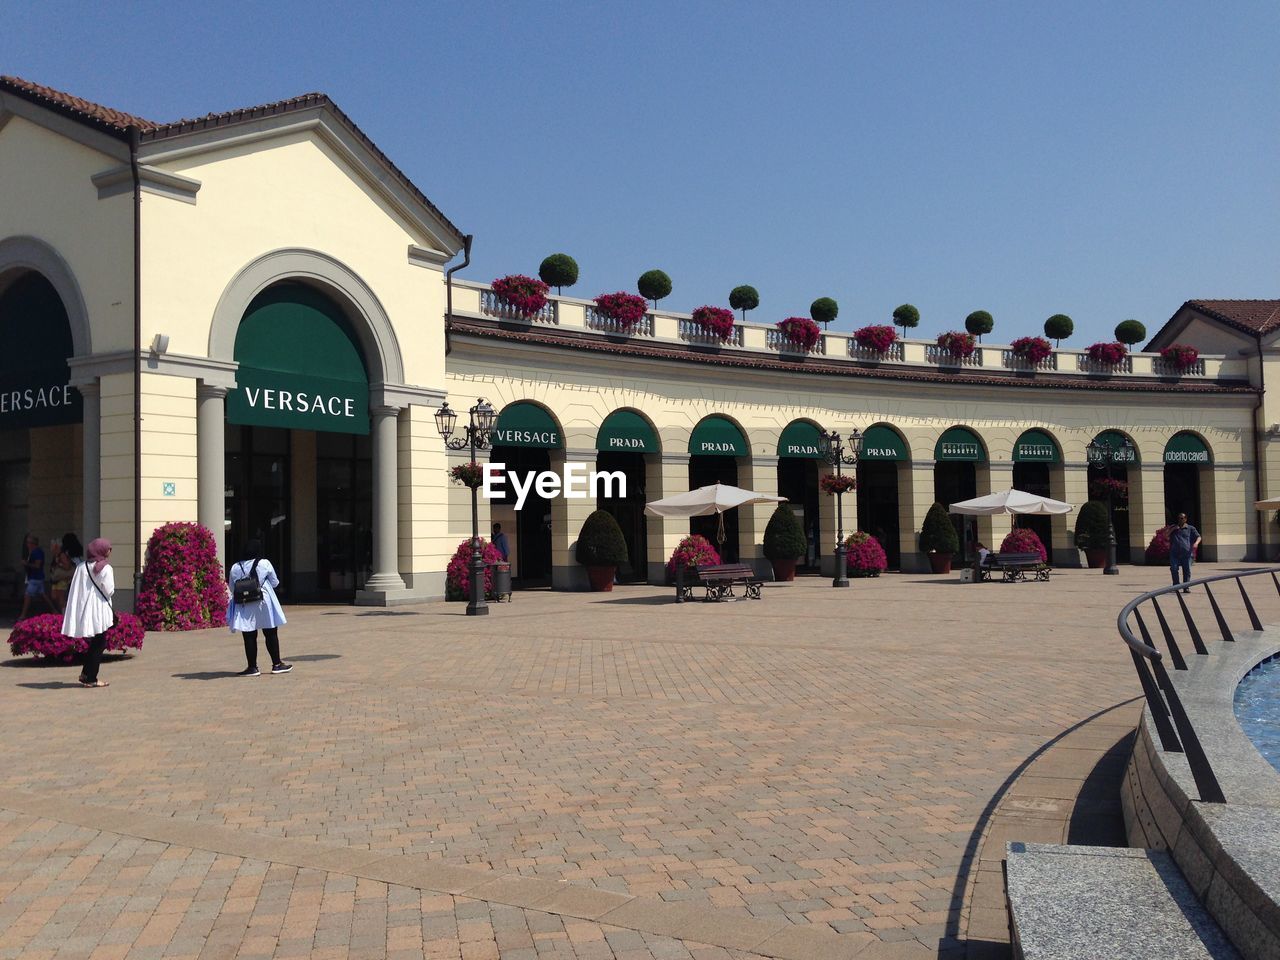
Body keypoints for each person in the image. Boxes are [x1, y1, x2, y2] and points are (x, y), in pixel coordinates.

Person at [227, 539, 291, 677]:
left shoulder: (235, 567)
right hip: (263, 600)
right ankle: (277, 664)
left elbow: (232, 588)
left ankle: (252, 667)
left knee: (249, 634)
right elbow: (274, 582)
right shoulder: (264, 563)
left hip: (244, 603)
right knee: (270, 632)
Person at [62, 538, 115, 688]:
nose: (110, 551)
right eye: (108, 548)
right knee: (100, 642)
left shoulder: (81, 567)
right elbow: (109, 590)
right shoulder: (106, 568)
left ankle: (86, 674)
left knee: (97, 642)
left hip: (86, 609)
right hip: (99, 609)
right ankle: (90, 677)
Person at [18, 533, 53, 621]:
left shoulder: (37, 552)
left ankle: (23, 615)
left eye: (28, 542)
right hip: (35, 577)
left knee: (27, 595)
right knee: (43, 594)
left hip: (35, 578)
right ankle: (54, 609)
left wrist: (26, 563)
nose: (27, 544)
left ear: (33, 543)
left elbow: (37, 565)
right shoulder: (33, 552)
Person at [1169, 513, 1202, 593]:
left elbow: (1198, 537)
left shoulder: (1190, 528)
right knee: (1174, 568)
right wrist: (1173, 530)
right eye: (1179, 518)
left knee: (1186, 570)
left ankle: (1186, 587)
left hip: (1186, 554)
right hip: (1174, 553)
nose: (1180, 520)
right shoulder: (1174, 528)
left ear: (1185, 519)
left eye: (1182, 518)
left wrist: (1196, 543)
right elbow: (1165, 535)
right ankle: (1176, 586)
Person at [46, 539, 74, 612]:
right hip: (56, 580)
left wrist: (59, 565)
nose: (50, 548)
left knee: (61, 599)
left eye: (52, 546)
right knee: (54, 596)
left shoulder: (62, 555)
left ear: (56, 546)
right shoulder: (56, 555)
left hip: (61, 580)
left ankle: (63, 615)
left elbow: (67, 566)